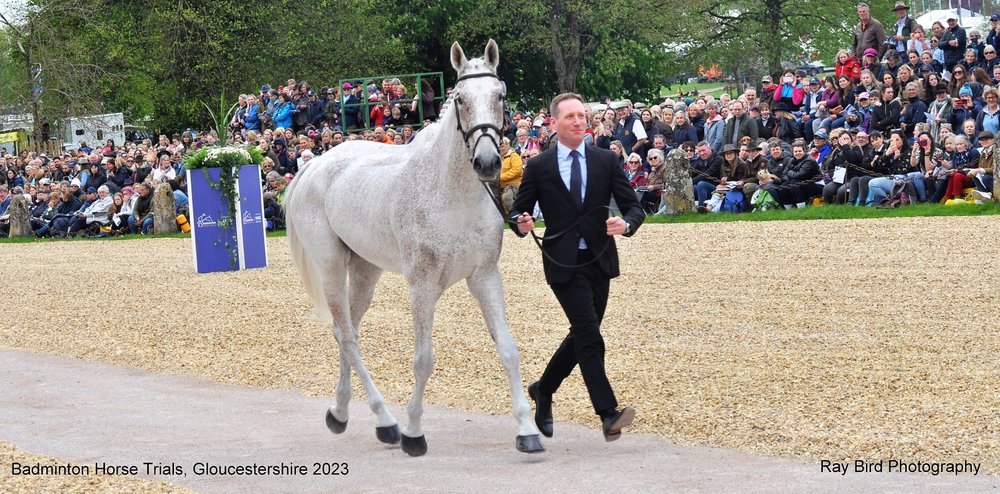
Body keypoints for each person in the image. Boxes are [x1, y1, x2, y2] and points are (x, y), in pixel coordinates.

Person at [509, 92, 644, 443]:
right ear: (554, 123)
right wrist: (521, 222)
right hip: (562, 261)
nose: (578, 120)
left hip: (599, 259)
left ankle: (544, 387)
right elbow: (518, 211)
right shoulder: (539, 166)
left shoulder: (605, 161)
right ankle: (607, 412)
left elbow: (633, 208)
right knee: (589, 333)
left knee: (583, 333)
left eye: (582, 115)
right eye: (570, 116)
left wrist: (625, 225)